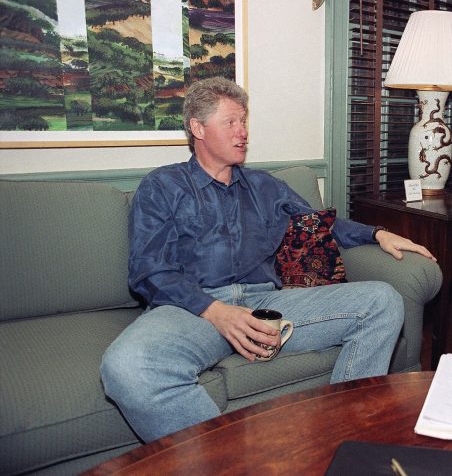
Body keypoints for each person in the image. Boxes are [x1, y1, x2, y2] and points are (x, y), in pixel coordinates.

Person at [101, 76, 435, 442]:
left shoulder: (265, 186)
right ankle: (229, 461)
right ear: (198, 128)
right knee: (126, 366)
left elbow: (322, 224)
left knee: (382, 300)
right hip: (192, 309)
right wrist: (214, 311)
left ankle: (342, 436)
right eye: (230, 122)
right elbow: (148, 270)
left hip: (267, 305)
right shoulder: (162, 186)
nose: (242, 132)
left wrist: (377, 233)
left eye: (244, 121)